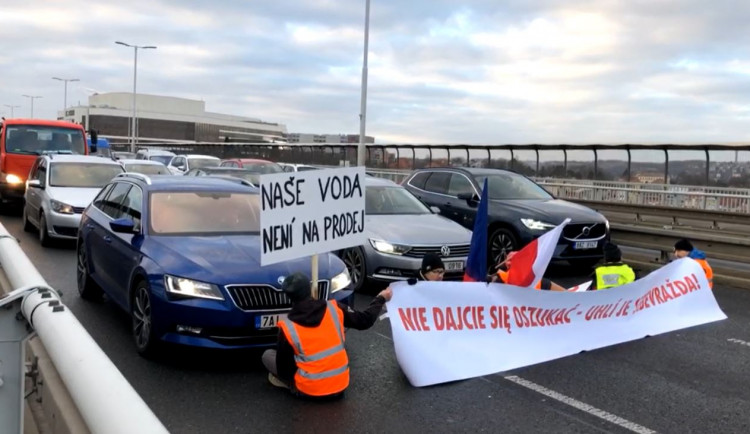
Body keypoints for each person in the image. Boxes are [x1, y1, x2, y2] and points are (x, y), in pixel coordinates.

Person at [263, 272, 392, 399]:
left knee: (267, 355)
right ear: (310, 289)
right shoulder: (334, 308)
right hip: (340, 385)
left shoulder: (287, 328)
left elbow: (285, 371)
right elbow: (365, 320)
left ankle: (293, 387)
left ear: (288, 297)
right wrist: (381, 298)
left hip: (310, 391)